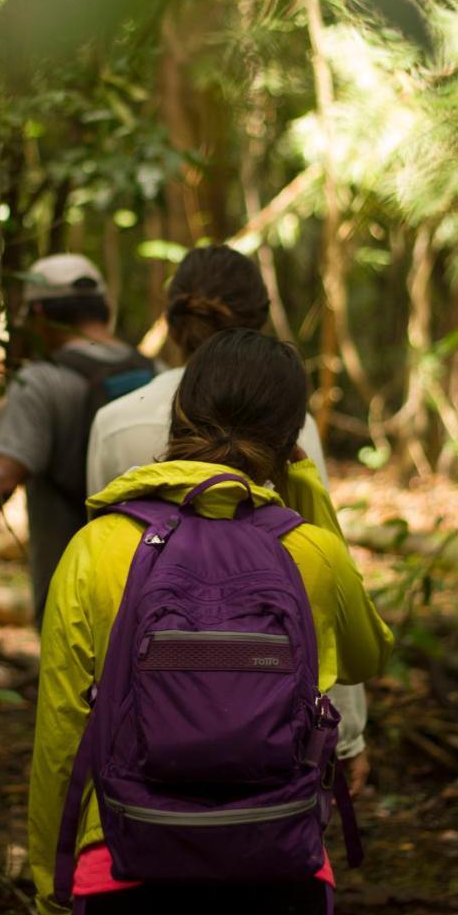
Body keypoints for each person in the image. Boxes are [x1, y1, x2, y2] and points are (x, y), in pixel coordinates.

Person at [29, 329, 393, 915]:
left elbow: (60, 731)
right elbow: (369, 653)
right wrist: (306, 500)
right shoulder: (310, 552)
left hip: (124, 863)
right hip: (277, 862)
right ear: (289, 445)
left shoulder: (95, 547)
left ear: (177, 419)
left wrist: (50, 877)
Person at [87, 245, 369, 792]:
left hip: (141, 720)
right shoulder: (288, 424)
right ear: (258, 328)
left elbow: (102, 583)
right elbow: (320, 570)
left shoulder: (113, 424)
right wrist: (349, 729)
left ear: (171, 324)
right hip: (268, 717)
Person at [0, 253, 154, 626]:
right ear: (104, 308)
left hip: (74, 601)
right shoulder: (155, 372)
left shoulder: (39, 383)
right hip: (153, 591)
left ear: (38, 315)